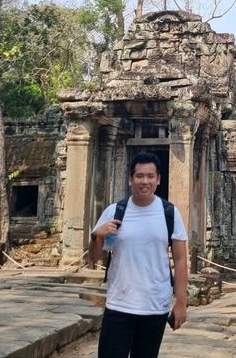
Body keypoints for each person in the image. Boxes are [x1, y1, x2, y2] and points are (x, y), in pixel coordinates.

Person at [89, 151, 188, 358]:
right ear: (130, 180)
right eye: (139, 176)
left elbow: (180, 260)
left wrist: (181, 303)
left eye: (150, 176)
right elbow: (94, 258)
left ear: (159, 179)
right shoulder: (115, 212)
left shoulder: (169, 212)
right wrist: (96, 236)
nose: (145, 181)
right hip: (119, 303)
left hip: (155, 305)